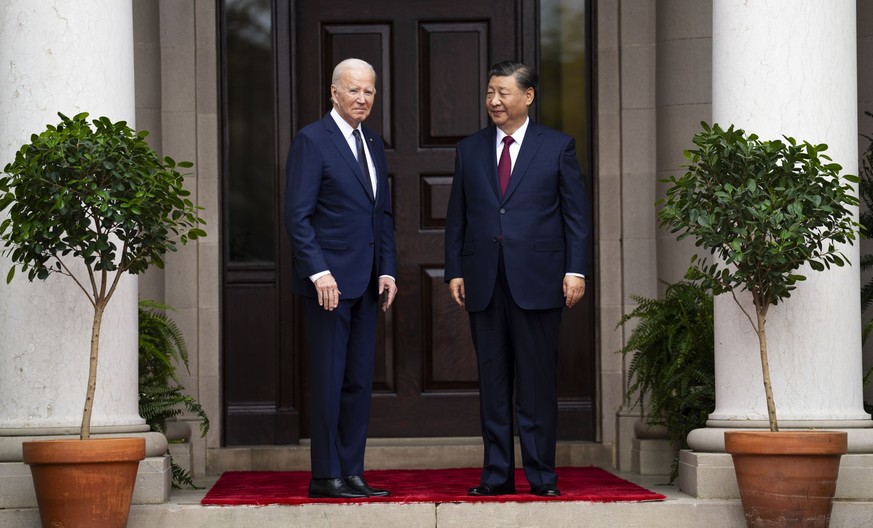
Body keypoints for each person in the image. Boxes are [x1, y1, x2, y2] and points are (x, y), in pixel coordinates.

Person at [444, 60, 591, 497]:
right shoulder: (469, 149)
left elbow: (575, 217)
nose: (494, 101)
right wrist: (454, 268)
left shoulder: (557, 146)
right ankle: (496, 475)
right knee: (492, 385)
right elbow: (458, 216)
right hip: (484, 280)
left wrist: (575, 269)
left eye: (503, 93)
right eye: (490, 92)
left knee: (536, 383)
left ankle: (542, 476)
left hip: (541, 280)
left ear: (527, 96)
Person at [285, 58, 397, 499]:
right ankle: (325, 475)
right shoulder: (312, 140)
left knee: (356, 383)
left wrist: (387, 268)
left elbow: (381, 213)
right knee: (330, 381)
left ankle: (351, 472)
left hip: (368, 284)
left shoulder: (373, 141)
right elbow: (298, 217)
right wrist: (319, 272)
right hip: (328, 286)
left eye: (370, 91)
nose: (363, 99)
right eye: (354, 90)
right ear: (334, 93)